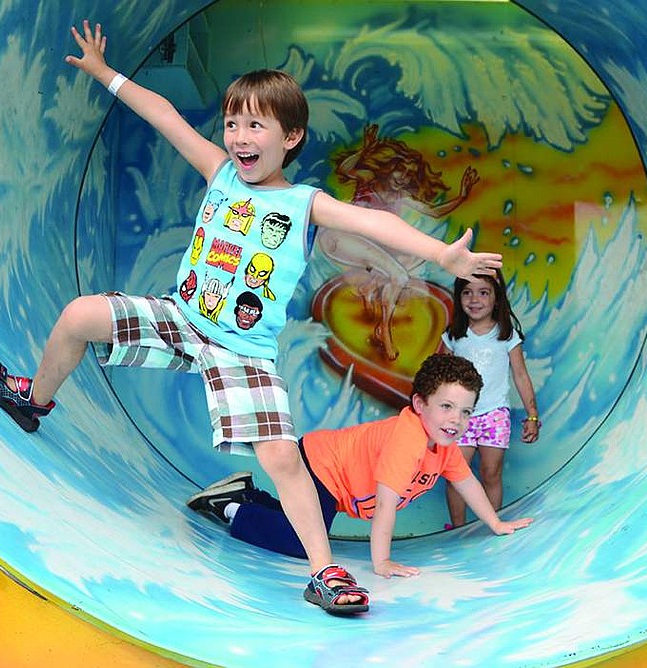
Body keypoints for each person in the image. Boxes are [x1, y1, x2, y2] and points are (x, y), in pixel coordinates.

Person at [0, 20, 504, 616]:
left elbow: (372, 222)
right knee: (78, 315)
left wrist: (440, 255)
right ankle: (35, 400)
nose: (239, 135)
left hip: (242, 350)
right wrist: (105, 76)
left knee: (280, 457)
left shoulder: (304, 204)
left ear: (291, 136)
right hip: (182, 317)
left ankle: (325, 572)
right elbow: (165, 116)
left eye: (255, 124)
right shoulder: (219, 171)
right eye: (232, 122)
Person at [187, 353, 534, 612]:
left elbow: (468, 483)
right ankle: (232, 508)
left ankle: (248, 495)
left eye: (466, 411)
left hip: (336, 481)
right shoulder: (408, 441)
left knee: (309, 526)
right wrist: (381, 562)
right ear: (419, 404)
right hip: (322, 467)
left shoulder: (443, 447)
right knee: (302, 542)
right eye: (446, 406)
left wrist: (496, 523)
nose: (456, 420)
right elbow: (385, 505)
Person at [316, 124, 480, 361]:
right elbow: (346, 169)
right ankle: (384, 330)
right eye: (400, 170)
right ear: (389, 169)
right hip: (340, 238)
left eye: (408, 173)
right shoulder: (369, 181)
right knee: (400, 275)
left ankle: (370, 288)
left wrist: (462, 196)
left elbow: (433, 212)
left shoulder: (402, 198)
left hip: (362, 250)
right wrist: (366, 149)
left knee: (417, 253)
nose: (403, 177)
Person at [440, 270, 540, 528]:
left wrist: (532, 414)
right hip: (459, 416)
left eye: (483, 292)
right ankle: (457, 528)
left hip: (494, 414)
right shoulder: (454, 335)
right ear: (459, 297)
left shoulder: (506, 335)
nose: (475, 299)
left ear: (496, 298)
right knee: (455, 474)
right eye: (467, 292)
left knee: (490, 472)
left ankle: (490, 525)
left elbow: (520, 375)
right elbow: (436, 373)